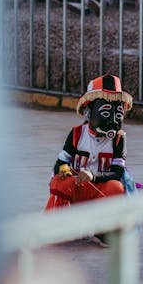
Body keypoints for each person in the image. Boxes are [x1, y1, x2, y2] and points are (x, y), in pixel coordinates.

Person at [45, 75, 134, 238]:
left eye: (118, 113)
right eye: (106, 112)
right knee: (58, 182)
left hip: (100, 190)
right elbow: (60, 162)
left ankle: (103, 229)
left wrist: (93, 176)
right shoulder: (77, 134)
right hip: (77, 188)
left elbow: (117, 172)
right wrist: (63, 168)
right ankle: (59, 225)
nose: (114, 119)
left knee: (116, 188)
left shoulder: (119, 139)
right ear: (89, 111)